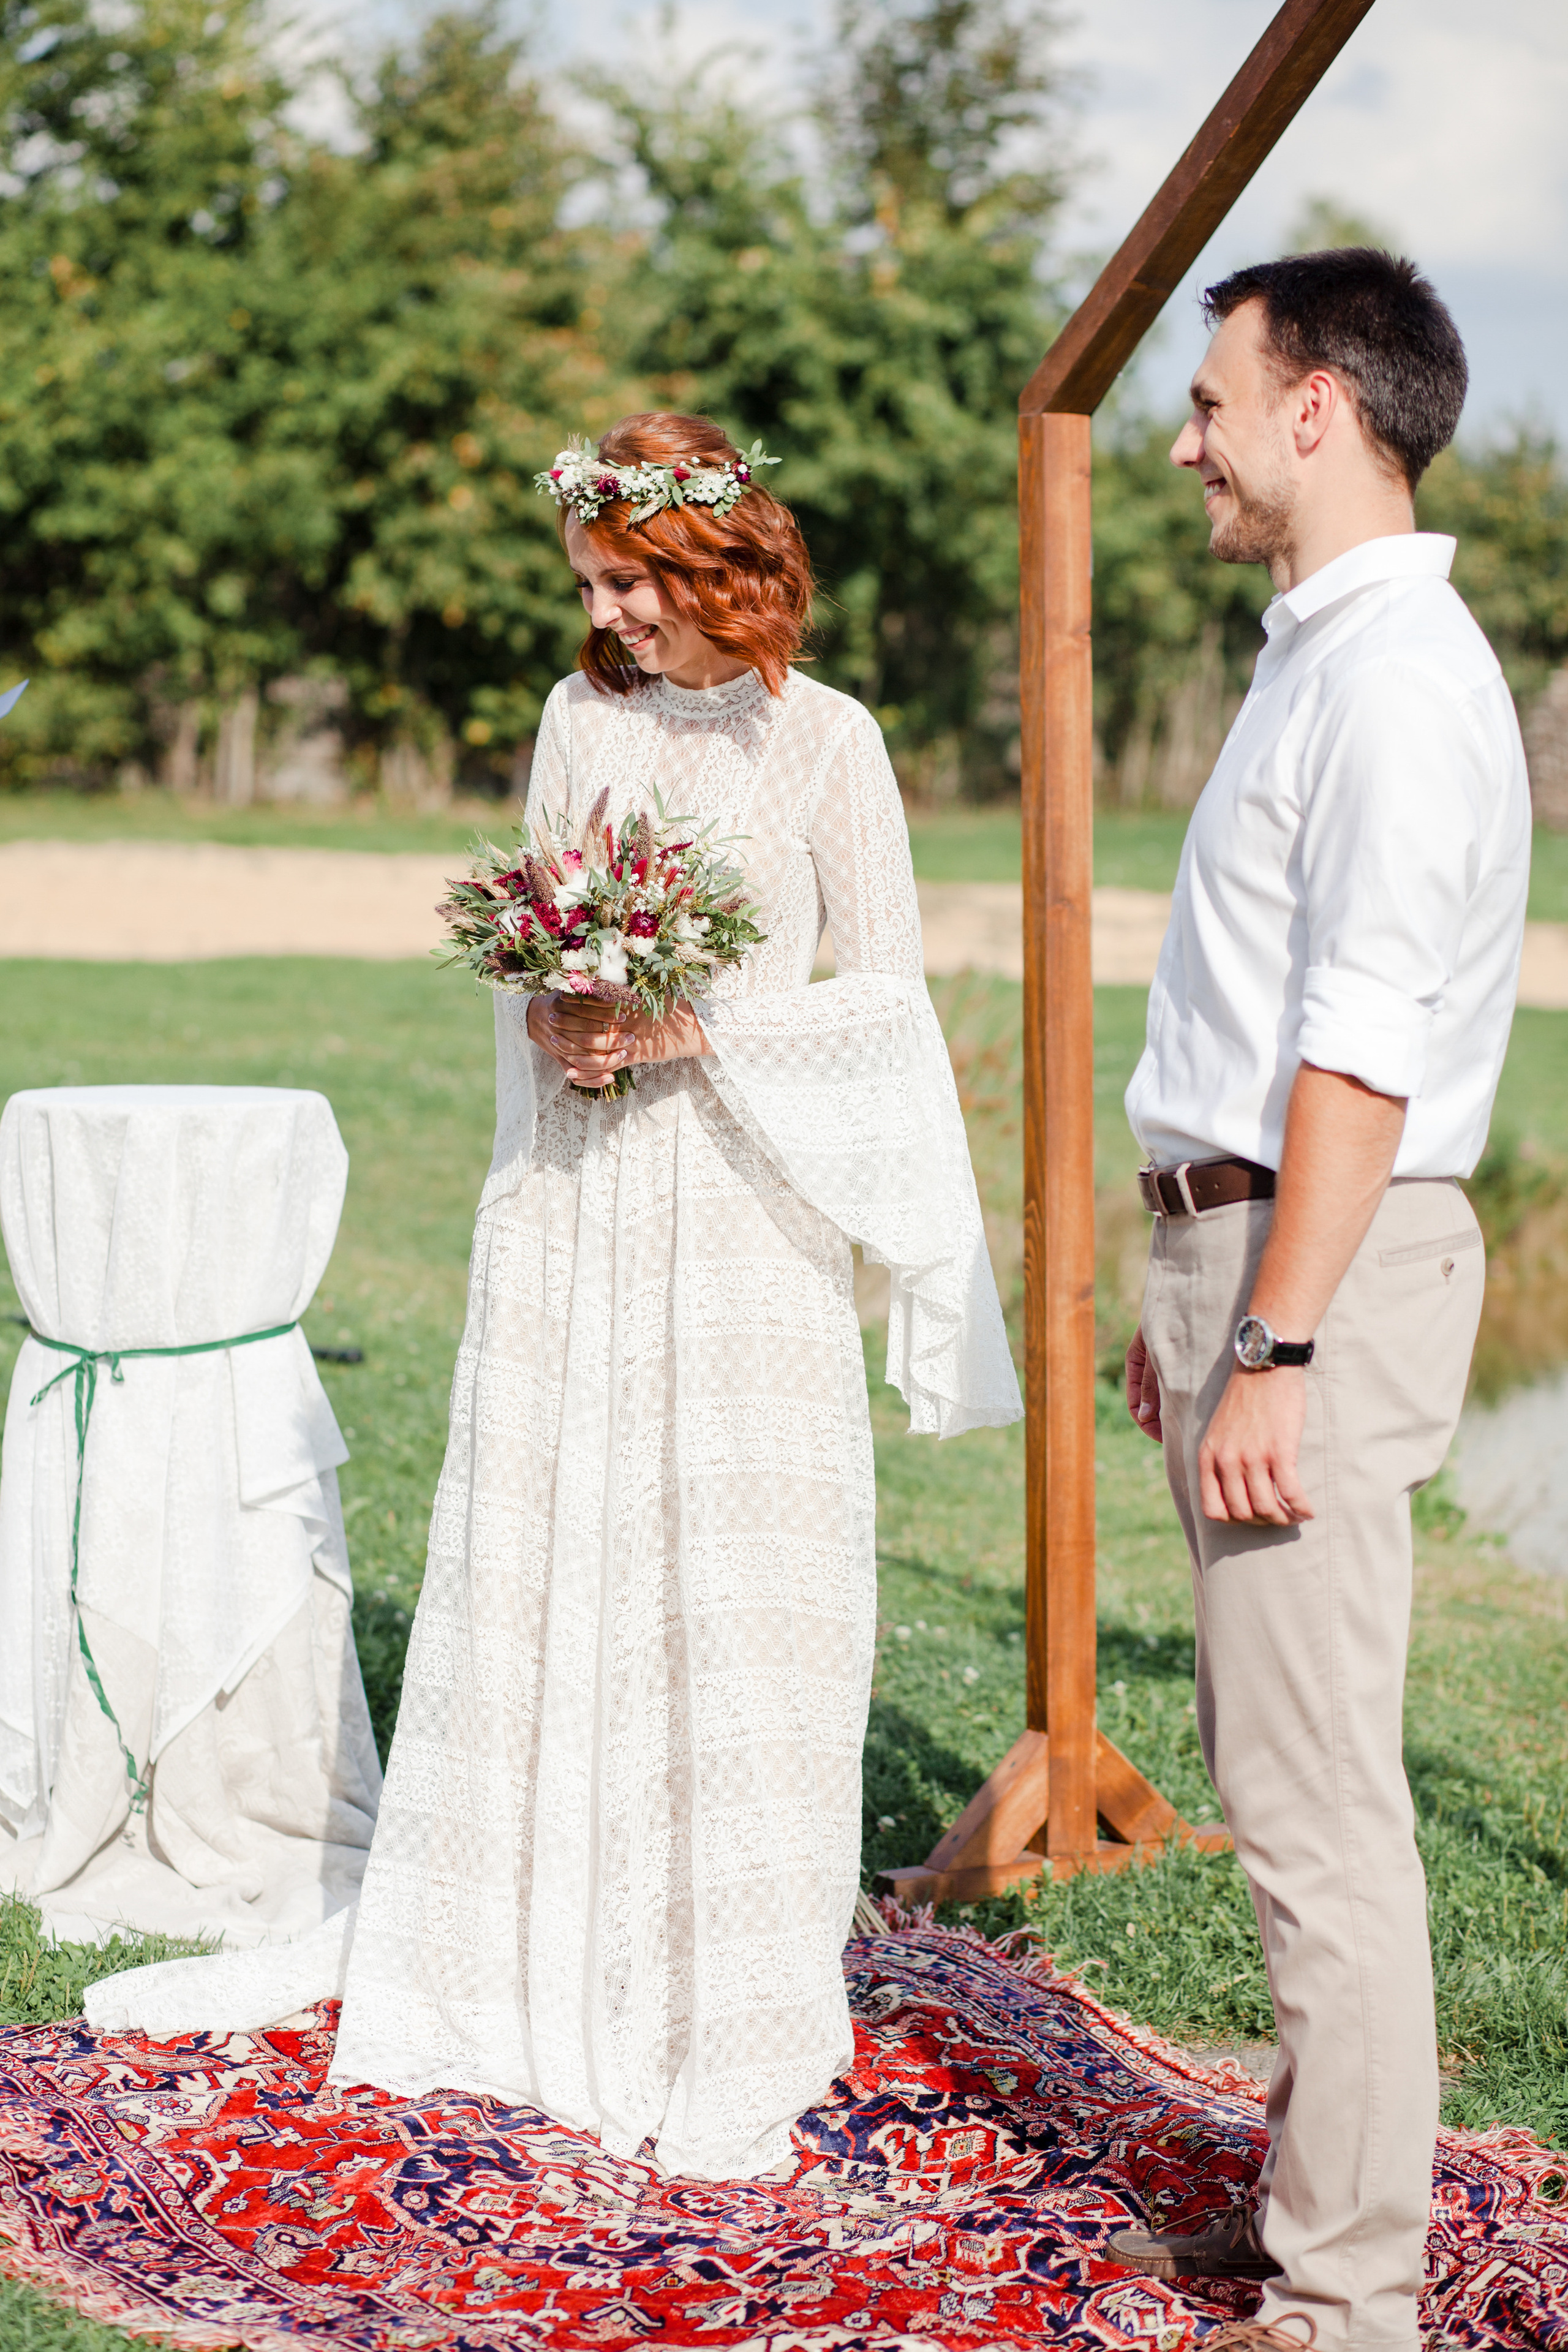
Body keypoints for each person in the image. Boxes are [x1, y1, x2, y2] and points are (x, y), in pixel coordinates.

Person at [86, 411, 1021, 2181]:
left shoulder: (833, 746)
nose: (612, 617)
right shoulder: (574, 720)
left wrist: (699, 1023)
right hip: (586, 1211)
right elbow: (535, 952)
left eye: (637, 583)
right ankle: (517, 1948)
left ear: (723, 568)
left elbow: (888, 1012)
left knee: (732, 1589)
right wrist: (563, 1020)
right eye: (591, 583)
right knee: (565, 1553)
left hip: (747, 1228)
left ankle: (720, 1986)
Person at [1103, 251, 1530, 2352]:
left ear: (1317, 413)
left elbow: (1360, 1052)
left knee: (1316, 1809)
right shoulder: (1320, 659)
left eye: (1208, 399)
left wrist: (1268, 1335)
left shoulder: (1390, 678)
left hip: (1316, 1274)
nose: (1178, 437)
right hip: (1252, 1254)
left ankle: (1349, 2300)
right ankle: (1317, 2216)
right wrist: (1188, 1300)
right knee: (1284, 1778)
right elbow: (1264, 1020)